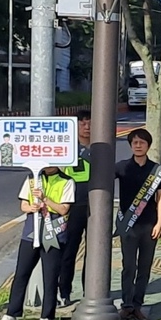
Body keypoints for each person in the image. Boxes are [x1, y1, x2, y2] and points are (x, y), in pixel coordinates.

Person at [0, 167, 75, 320]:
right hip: (31, 232)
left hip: (53, 232)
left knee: (50, 276)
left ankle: (47, 316)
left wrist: (45, 199)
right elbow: (23, 205)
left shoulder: (66, 181)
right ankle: (12, 313)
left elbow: (64, 209)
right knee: (21, 273)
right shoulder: (32, 179)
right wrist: (30, 208)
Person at [115, 128, 161, 320]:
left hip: (149, 225)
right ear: (130, 145)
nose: (138, 145)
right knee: (128, 266)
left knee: (145, 267)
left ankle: (138, 306)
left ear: (148, 145)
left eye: (142, 142)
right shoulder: (121, 167)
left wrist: (160, 222)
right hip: (128, 226)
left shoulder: (157, 170)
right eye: (135, 142)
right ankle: (126, 306)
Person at [59, 109, 91, 307]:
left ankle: (91, 291)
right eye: (82, 123)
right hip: (73, 205)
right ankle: (64, 291)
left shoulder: (101, 146)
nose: (87, 127)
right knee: (69, 250)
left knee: (95, 251)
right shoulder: (67, 147)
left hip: (96, 204)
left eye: (90, 123)